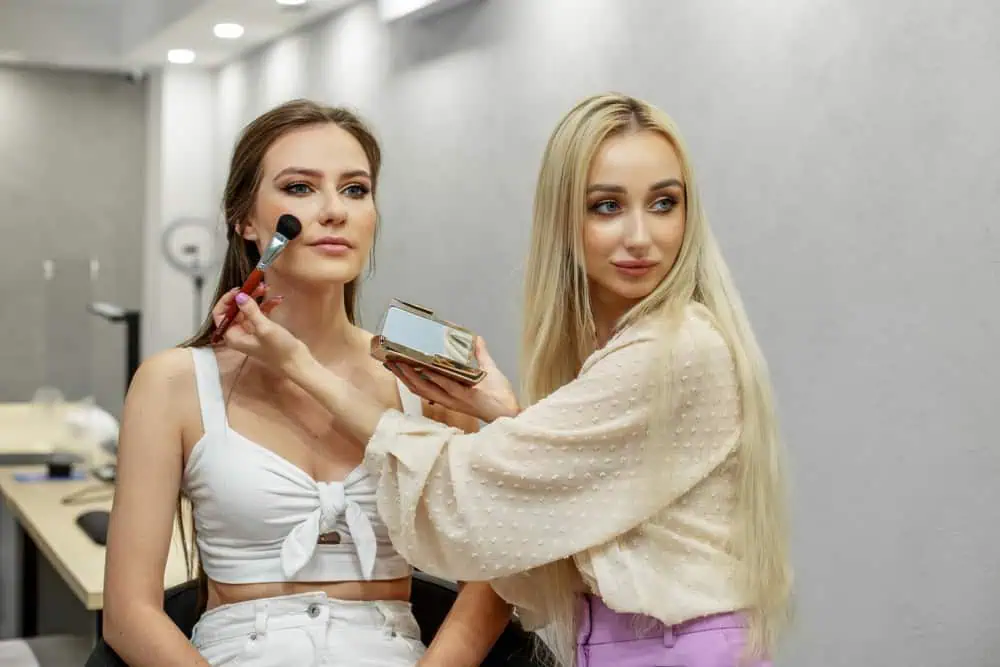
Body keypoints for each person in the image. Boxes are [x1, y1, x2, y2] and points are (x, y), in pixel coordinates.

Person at [209, 92, 793, 667]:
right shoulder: (180, 382)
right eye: (607, 206)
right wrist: (505, 413)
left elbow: (477, 499)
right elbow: (557, 502)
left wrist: (299, 367)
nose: (640, 237)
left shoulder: (677, 349)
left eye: (664, 203)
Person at [101, 99, 512, 667]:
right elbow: (128, 615)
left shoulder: (427, 382)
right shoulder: (172, 383)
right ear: (245, 220)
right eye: (300, 188)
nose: (334, 211)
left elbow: (493, 574)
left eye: (355, 190)